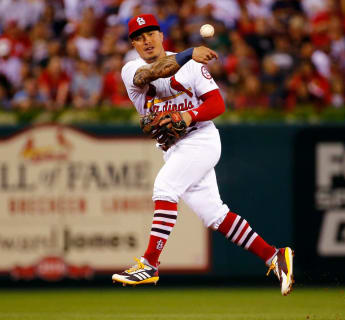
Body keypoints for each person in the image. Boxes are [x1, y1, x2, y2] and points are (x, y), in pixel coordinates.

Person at [112, 14, 294, 296]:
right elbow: (153, 74)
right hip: (174, 150)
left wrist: (188, 114)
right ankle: (275, 256)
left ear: (161, 35)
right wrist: (189, 54)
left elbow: (217, 104)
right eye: (138, 37)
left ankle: (149, 264)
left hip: (201, 139)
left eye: (150, 33)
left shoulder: (192, 67)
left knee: (165, 188)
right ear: (133, 44)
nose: (145, 40)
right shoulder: (131, 69)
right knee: (215, 215)